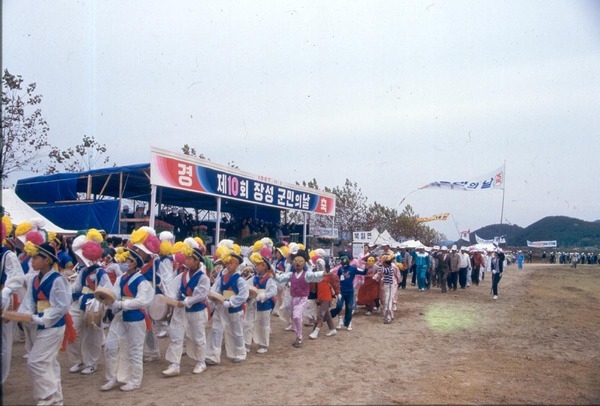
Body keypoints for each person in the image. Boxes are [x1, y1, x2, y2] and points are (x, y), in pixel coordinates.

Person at [18, 242, 72, 405]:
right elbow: (28, 301)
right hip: (38, 323)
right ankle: (56, 398)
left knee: (35, 361)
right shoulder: (34, 279)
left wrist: (41, 318)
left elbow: (62, 306)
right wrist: (25, 315)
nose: (31, 261)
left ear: (47, 260)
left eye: (35, 257)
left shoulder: (58, 280)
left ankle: (47, 396)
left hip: (53, 325)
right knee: (49, 361)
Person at [101, 247, 155, 392]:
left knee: (135, 350)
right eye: (124, 259)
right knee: (110, 346)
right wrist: (110, 302)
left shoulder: (142, 281)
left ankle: (135, 380)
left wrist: (122, 304)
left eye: (128, 260)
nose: (124, 262)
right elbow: (115, 295)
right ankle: (111, 377)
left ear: (134, 263)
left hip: (135, 318)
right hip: (120, 316)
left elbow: (142, 301)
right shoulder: (120, 278)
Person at [67, 229, 112, 376]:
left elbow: (108, 291)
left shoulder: (100, 273)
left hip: (94, 305)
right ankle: (78, 360)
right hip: (79, 303)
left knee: (91, 335)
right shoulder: (82, 271)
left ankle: (91, 362)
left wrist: (99, 303)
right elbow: (76, 288)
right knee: (71, 331)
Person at [162, 244, 211, 376]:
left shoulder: (203, 278)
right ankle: (174, 364)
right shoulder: (182, 275)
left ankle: (201, 361)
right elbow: (174, 289)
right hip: (180, 310)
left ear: (196, 261)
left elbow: (201, 294)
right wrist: (172, 299)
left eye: (189, 258)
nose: (186, 260)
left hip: (196, 310)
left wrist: (186, 302)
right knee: (176, 335)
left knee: (197, 336)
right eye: (186, 258)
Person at [205, 241, 249, 364]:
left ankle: (240, 352)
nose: (228, 266)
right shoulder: (222, 277)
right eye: (227, 263)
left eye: (231, 263)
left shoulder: (239, 279)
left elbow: (243, 295)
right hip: (221, 307)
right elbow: (216, 289)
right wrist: (214, 299)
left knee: (236, 331)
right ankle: (213, 355)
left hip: (233, 309)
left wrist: (230, 303)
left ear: (237, 265)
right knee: (216, 330)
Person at [274, 249, 325, 347]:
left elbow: (315, 275)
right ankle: (297, 335)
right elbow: (281, 278)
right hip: (294, 297)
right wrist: (272, 274)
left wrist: (323, 273)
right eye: (295, 261)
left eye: (300, 262)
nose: (297, 264)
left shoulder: (306, 274)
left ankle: (300, 337)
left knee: (297, 316)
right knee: (294, 317)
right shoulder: (291, 274)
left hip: (302, 298)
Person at [129, 226, 162, 363]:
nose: (138, 251)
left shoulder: (156, 262)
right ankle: (143, 350)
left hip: (150, 294)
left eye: (141, 249)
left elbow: (161, 279)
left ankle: (153, 351)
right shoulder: (138, 263)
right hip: (139, 294)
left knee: (149, 325)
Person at [1, 215, 26, 385]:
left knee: (3, 343)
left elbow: (17, 276)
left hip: (2, 302)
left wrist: (7, 291)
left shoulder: (7, 255)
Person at [243, 250, 277, 353]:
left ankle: (263, 344)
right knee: (247, 323)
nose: (256, 267)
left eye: (259, 265)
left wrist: (263, 296)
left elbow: (273, 291)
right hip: (252, 304)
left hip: (264, 305)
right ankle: (246, 344)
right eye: (256, 265)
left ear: (264, 267)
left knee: (263, 325)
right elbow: (246, 287)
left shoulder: (269, 280)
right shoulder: (253, 278)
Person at [329, 251, 367, 331]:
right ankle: (332, 314)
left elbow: (363, 272)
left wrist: (366, 267)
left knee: (349, 307)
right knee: (339, 306)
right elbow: (338, 278)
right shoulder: (340, 269)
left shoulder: (353, 269)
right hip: (342, 291)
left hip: (350, 291)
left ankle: (348, 322)